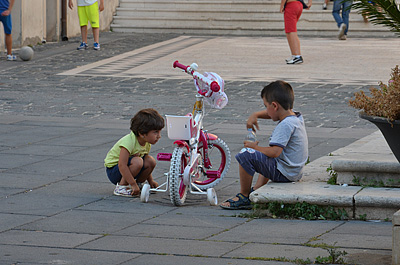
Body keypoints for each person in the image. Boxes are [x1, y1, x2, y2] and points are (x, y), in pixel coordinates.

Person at [220, 81, 308, 210]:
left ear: (274, 105)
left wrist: (253, 147)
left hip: (285, 173)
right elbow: (273, 112)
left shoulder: (285, 125)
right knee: (264, 154)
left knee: (246, 154)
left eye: (266, 106)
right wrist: (255, 115)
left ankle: (244, 196)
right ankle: (257, 188)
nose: (266, 110)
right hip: (293, 171)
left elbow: (275, 153)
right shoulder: (294, 117)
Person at [104, 108, 165, 197]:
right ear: (142, 133)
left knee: (150, 160)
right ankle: (121, 187)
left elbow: (145, 162)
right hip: (114, 171)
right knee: (138, 161)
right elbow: (122, 165)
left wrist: (150, 181)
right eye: (155, 132)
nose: (159, 136)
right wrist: (132, 184)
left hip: (130, 169)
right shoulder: (128, 142)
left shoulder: (146, 143)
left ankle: (139, 185)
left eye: (159, 132)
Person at [281, 0, 312, 64]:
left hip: (291, 5)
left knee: (291, 31)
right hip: (298, 5)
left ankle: (297, 56)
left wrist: (282, 6)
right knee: (289, 31)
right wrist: (310, 2)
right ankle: (294, 55)